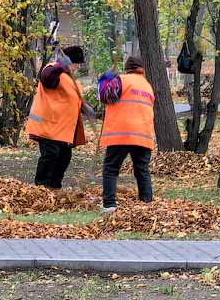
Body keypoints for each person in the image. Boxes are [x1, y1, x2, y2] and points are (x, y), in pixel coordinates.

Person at [25, 45, 94, 189]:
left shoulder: (71, 80)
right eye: (76, 64)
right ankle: (41, 187)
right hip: (47, 125)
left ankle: (55, 187)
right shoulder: (52, 71)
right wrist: (60, 66)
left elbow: (72, 99)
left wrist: (85, 107)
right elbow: (46, 78)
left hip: (62, 130)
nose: (77, 68)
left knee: (64, 158)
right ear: (68, 61)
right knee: (50, 155)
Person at [100, 55, 155, 211]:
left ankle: (109, 205)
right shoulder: (147, 86)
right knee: (142, 170)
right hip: (143, 134)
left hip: (121, 133)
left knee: (111, 169)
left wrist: (104, 79)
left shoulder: (120, 80)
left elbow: (104, 96)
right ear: (141, 69)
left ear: (127, 68)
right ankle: (147, 204)